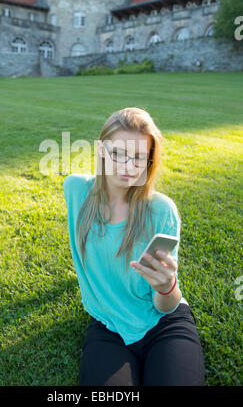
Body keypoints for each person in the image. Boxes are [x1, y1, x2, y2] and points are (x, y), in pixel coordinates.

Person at [63, 107, 205, 386]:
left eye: (139, 158)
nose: (128, 167)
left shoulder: (161, 211)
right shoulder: (76, 191)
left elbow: (165, 306)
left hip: (163, 325)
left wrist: (167, 287)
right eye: (118, 154)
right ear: (101, 150)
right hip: (107, 328)